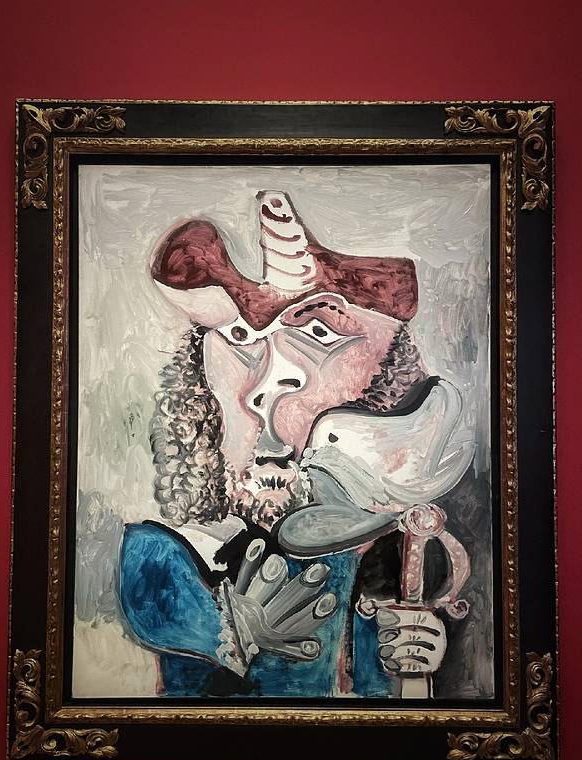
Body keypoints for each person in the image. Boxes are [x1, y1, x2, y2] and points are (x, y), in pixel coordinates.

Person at [119, 191, 472, 699]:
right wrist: (227, 631)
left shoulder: (408, 552)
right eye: (239, 342)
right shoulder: (180, 548)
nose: (264, 387)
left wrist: (416, 660)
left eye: (319, 335)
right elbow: (154, 595)